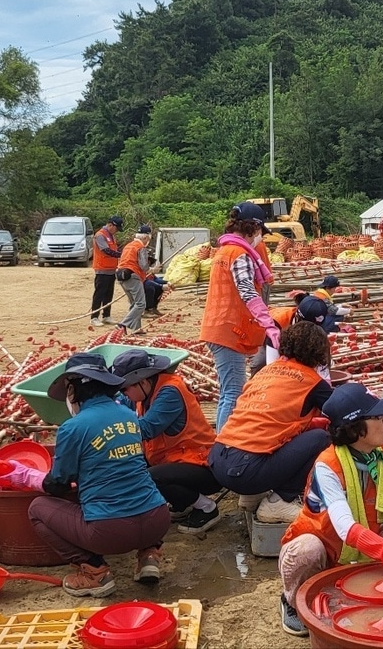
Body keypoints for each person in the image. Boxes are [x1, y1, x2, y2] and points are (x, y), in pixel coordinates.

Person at [0, 353, 169, 596]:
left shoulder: (73, 427)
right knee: (138, 485)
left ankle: (95, 572)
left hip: (110, 531)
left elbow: (58, 484)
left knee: (37, 509)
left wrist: (27, 476)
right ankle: (149, 555)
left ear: (73, 390)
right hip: (158, 520)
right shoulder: (129, 416)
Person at [277, 383, 383, 637]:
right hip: (326, 550)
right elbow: (346, 528)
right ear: (355, 429)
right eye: (377, 417)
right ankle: (293, 600)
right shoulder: (328, 466)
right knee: (306, 550)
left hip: (366, 546)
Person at [210, 322, 335, 524]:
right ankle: (280, 501)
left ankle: (251, 495)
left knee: (279, 431)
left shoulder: (266, 371)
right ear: (319, 352)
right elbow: (343, 409)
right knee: (321, 438)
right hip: (245, 470)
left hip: (218, 459)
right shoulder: (312, 382)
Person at [113, 349, 223, 535]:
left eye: (125, 389)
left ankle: (206, 507)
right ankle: (182, 502)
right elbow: (121, 403)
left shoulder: (169, 392)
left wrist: (109, 427)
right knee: (130, 466)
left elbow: (146, 428)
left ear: (143, 382)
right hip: (176, 460)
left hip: (204, 465)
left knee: (148, 477)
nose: (124, 394)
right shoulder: (144, 392)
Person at [200, 202, 279, 432]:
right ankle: (223, 444)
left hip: (221, 327)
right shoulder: (240, 253)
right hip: (228, 330)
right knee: (233, 392)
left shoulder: (225, 250)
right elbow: (246, 290)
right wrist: (268, 323)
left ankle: (222, 440)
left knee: (229, 391)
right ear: (254, 228)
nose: (260, 237)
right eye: (261, 231)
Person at [116, 224, 152, 333]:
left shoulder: (129, 245)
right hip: (133, 276)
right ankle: (122, 324)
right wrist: (153, 269)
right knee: (141, 304)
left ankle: (136, 328)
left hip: (121, 275)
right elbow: (144, 266)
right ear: (146, 237)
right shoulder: (140, 248)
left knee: (134, 303)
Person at [91, 216, 123, 325]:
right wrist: (121, 255)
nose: (117, 231)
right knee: (99, 294)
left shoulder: (111, 235)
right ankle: (94, 317)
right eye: (116, 228)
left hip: (111, 269)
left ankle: (106, 315)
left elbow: (114, 249)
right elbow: (106, 250)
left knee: (109, 294)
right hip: (102, 269)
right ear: (110, 225)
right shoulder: (100, 235)